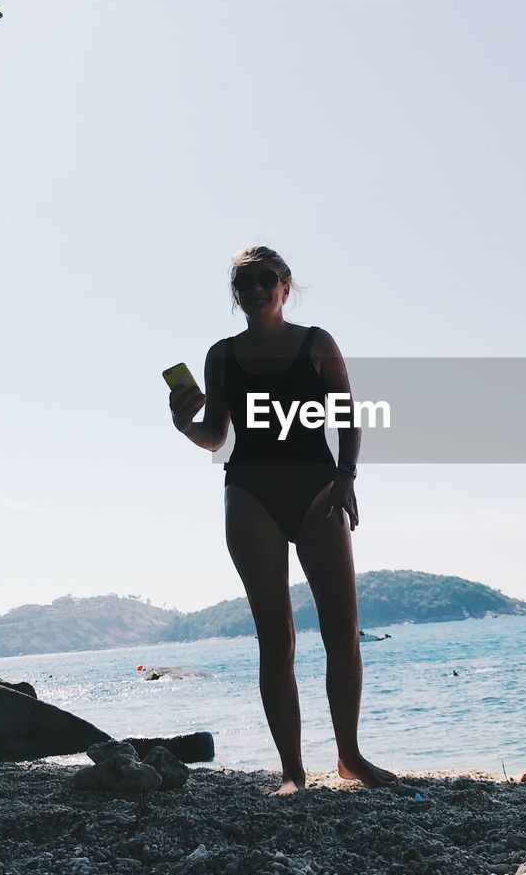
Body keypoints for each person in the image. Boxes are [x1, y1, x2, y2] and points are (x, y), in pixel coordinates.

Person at [169, 246, 397, 795]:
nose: (255, 289)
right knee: (277, 639)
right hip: (250, 492)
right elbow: (217, 436)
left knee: (343, 633)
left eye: (265, 279)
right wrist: (184, 425)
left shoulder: (317, 343)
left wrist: (346, 476)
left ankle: (350, 757)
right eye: (244, 283)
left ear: (285, 286)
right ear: (236, 294)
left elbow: (345, 413)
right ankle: (293, 773)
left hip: (317, 489)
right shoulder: (221, 355)